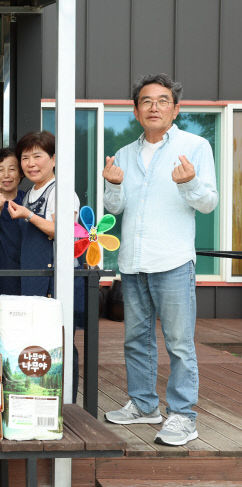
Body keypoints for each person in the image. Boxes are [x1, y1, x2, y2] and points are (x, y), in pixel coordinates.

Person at [103, 74, 218, 446]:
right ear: (136, 111)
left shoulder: (195, 145)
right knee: (136, 340)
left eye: (163, 100)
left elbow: (207, 203)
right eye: (146, 101)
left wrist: (188, 182)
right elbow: (114, 209)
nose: (154, 107)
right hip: (133, 263)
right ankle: (143, 405)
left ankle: (183, 416)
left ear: (176, 108)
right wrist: (113, 185)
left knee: (179, 343)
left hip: (172, 261)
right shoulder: (123, 154)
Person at [6, 131, 84, 402]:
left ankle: (67, 402)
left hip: (57, 278)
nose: (30, 163)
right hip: (35, 277)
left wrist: (27, 214)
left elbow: (61, 231)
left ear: (53, 159)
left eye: (37, 156)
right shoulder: (30, 193)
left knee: (60, 341)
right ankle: (40, 398)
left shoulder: (61, 191)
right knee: (37, 340)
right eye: (25, 158)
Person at [0, 147, 25, 297]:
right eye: (0, 170)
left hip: (25, 272)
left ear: (20, 173)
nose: (6, 175)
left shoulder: (29, 200)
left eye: (12, 169)